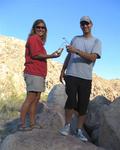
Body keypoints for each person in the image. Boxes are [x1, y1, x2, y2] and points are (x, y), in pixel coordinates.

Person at [59, 16, 101, 141]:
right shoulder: (75, 39)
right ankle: (67, 126)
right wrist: (62, 70)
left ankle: (78, 130)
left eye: (87, 23)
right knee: (71, 100)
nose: (85, 26)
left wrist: (76, 50)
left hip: (86, 77)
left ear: (91, 24)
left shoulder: (96, 41)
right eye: (82, 24)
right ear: (80, 26)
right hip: (71, 74)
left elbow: (92, 58)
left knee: (83, 105)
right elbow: (69, 56)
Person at [19, 19, 62, 131]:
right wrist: (51, 56)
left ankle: (32, 124)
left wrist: (51, 55)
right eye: (38, 27)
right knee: (30, 98)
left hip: (38, 74)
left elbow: (39, 55)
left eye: (43, 27)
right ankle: (22, 125)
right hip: (33, 72)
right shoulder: (33, 38)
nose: (40, 29)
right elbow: (35, 55)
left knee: (36, 98)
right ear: (34, 28)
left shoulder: (38, 41)